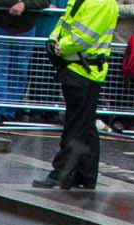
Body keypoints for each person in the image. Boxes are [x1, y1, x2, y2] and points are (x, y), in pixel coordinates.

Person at [33, 0, 117, 189]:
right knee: (85, 124)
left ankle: (61, 173)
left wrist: (59, 47)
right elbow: (64, 21)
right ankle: (85, 175)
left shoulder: (101, 3)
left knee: (76, 125)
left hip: (84, 70)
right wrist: (54, 40)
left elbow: (82, 38)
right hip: (78, 68)